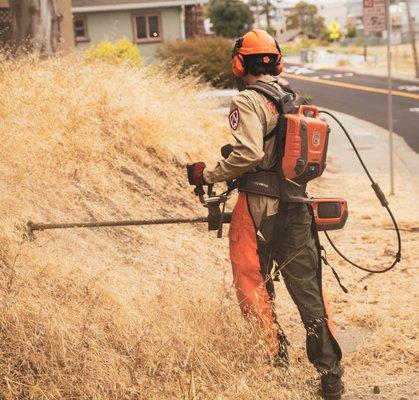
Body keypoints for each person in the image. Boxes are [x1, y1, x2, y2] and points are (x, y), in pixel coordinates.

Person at [187, 29, 344, 400]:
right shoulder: (293, 97)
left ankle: (275, 357)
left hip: (258, 207)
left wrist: (209, 174)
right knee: (309, 291)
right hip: (298, 205)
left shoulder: (247, 100)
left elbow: (248, 155)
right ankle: (330, 373)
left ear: (239, 63)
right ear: (278, 62)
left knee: (252, 281)